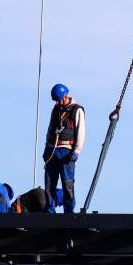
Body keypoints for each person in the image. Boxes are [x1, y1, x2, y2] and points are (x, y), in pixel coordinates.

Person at [43, 83, 85, 213]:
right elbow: (50, 129)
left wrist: (77, 150)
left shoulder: (76, 110)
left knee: (67, 184)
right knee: (49, 183)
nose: (58, 102)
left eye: (59, 99)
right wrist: (46, 148)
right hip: (52, 151)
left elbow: (81, 131)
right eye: (56, 100)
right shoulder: (56, 109)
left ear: (66, 96)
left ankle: (68, 213)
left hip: (67, 152)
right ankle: (50, 212)